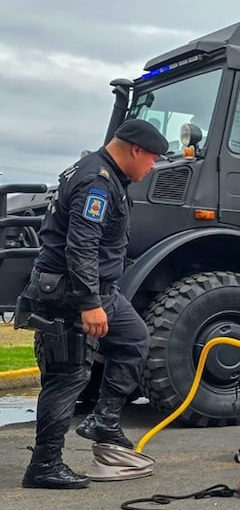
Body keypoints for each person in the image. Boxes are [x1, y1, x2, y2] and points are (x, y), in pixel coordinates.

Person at [16, 119, 168, 489]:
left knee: (134, 339)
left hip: (101, 290)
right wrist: (88, 303)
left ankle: (105, 420)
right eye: (151, 160)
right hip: (70, 294)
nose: (152, 169)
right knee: (68, 376)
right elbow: (80, 246)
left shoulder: (103, 174)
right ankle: (45, 464)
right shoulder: (96, 182)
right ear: (134, 149)